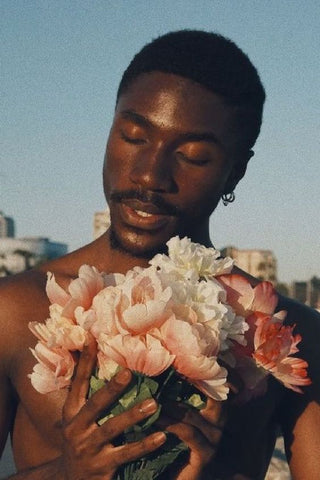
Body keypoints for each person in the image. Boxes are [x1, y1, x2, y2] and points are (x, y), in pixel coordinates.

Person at [0, 30, 319, 480]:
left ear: (236, 172)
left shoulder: (285, 339)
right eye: (133, 136)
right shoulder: (14, 311)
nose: (150, 175)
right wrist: (66, 473)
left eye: (192, 156)